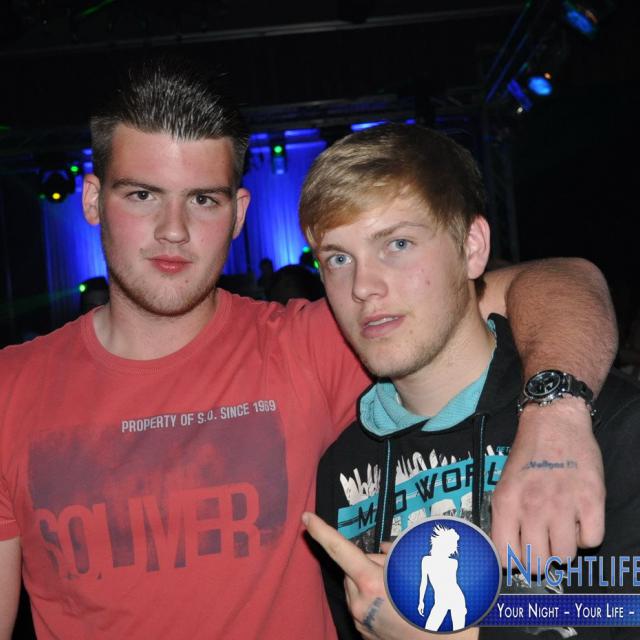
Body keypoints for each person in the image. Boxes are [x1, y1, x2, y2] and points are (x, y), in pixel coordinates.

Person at [0, 57, 617, 640]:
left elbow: (563, 280)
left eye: (203, 199)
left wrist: (556, 415)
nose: (174, 230)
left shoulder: (318, 340)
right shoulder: (9, 390)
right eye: (142, 195)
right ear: (91, 199)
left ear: (239, 213)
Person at [300, 124, 640, 639]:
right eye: (338, 259)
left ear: (472, 248)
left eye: (397, 243)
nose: (363, 286)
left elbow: (622, 613)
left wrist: (463, 635)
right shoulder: (341, 469)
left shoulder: (598, 425)